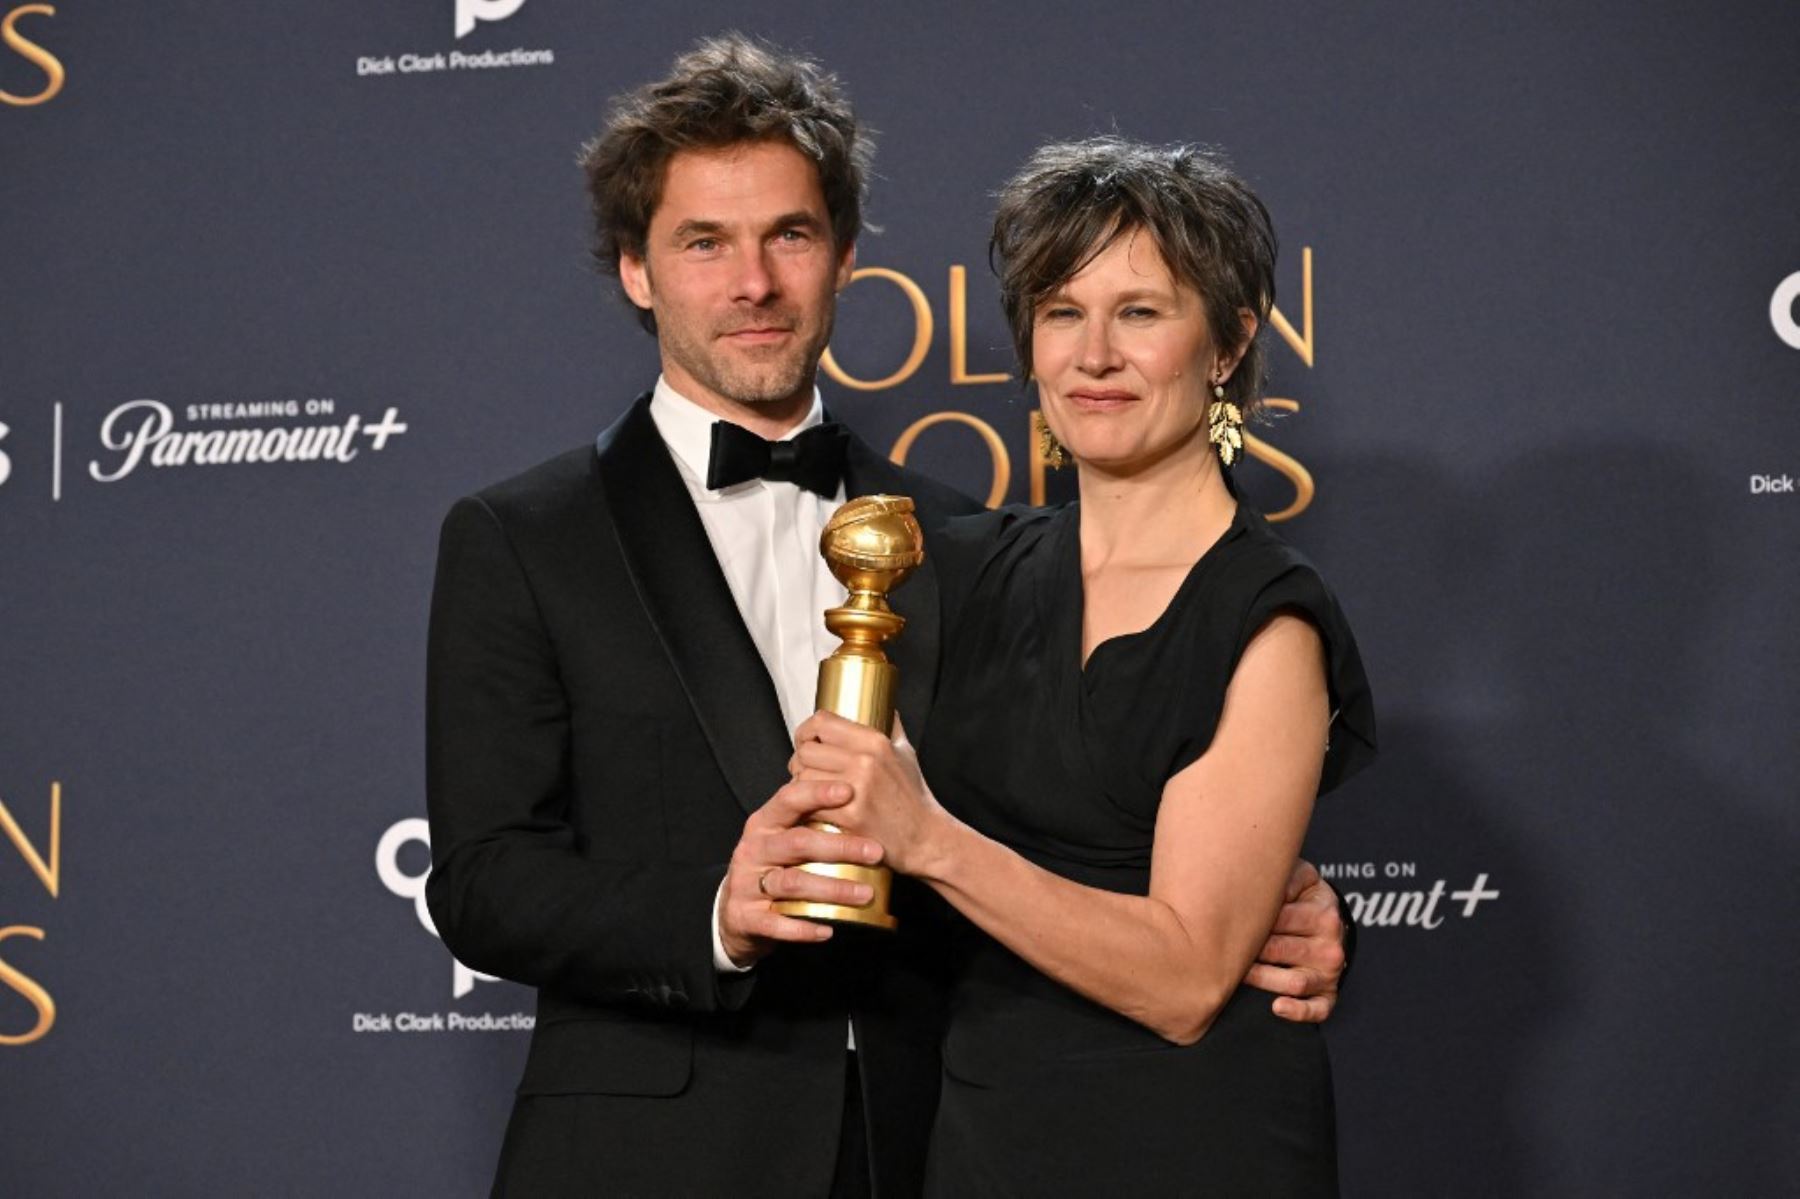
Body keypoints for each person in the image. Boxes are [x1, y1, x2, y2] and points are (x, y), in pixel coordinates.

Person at [425, 37, 1354, 1198]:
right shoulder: (524, 536)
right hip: (654, 1151)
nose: (752, 282)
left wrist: (1278, 898)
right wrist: (718, 906)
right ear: (636, 269)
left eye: (790, 236)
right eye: (704, 242)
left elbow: (1077, 807)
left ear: (846, 258)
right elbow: (480, 878)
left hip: (935, 1142)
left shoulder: (961, 535)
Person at [794, 136, 1378, 1195]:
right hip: (981, 1136)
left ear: (1229, 339)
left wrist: (929, 837)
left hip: (1195, 1141)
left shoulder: (1267, 618)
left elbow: (1190, 974)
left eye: (1141, 312)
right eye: (1063, 312)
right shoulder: (957, 567)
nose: (1093, 355)